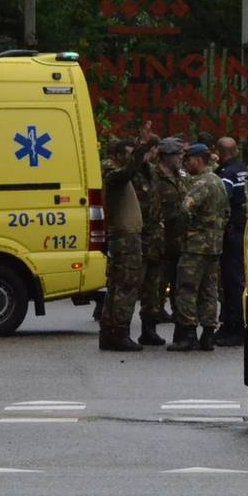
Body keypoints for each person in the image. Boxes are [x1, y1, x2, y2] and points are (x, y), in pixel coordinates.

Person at [98, 124, 158, 352]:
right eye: (128, 153)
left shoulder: (118, 175)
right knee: (126, 285)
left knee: (116, 286)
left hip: (124, 238)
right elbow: (128, 171)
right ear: (116, 156)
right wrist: (142, 150)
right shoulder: (114, 175)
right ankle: (119, 332)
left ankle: (109, 332)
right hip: (126, 239)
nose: (132, 157)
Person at [167, 143, 229, 352]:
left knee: (186, 289)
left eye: (188, 160)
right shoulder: (218, 181)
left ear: (198, 159)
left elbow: (185, 209)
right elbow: (226, 213)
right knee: (209, 291)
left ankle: (188, 335)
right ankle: (208, 335)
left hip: (196, 246)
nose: (186, 163)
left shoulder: (202, 183)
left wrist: (188, 227)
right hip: (214, 245)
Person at [137, 136, 187, 345]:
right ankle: (148, 329)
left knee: (180, 288)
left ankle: (181, 330)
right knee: (154, 290)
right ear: (167, 156)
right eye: (178, 155)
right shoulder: (153, 175)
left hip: (179, 242)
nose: (181, 158)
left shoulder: (178, 176)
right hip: (159, 243)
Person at [213, 137, 247, 346]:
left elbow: (221, 199)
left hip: (232, 232)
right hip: (244, 229)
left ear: (220, 152)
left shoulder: (227, 174)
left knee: (231, 280)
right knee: (239, 279)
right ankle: (237, 323)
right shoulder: (244, 170)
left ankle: (233, 326)